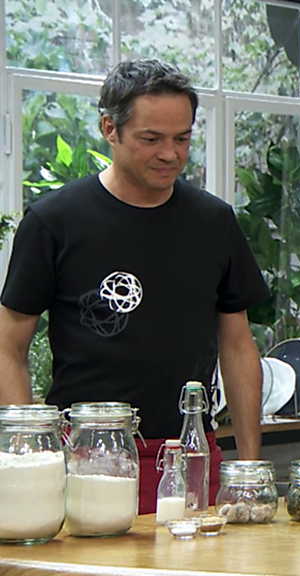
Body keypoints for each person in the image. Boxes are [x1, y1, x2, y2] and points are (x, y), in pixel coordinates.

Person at [0, 59, 270, 514]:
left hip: (190, 451)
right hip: (87, 458)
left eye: (182, 138)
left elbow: (238, 346)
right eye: (151, 139)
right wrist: (30, 459)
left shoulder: (214, 222)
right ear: (110, 128)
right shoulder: (54, 221)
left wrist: (249, 467)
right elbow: (8, 347)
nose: (170, 154)